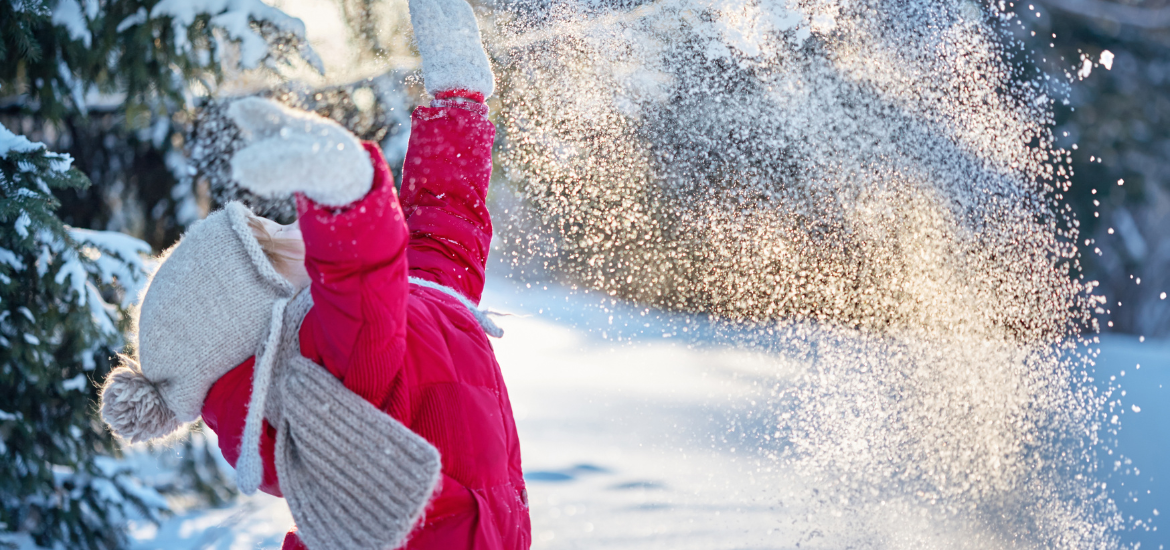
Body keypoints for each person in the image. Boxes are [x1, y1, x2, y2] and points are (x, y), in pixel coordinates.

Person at [97, 0, 531, 548]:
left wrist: (457, 97)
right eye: (273, 247)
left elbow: (442, 226)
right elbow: (356, 286)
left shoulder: (402, 309)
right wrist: (343, 200)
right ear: (271, 325)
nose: (290, 232)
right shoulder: (332, 367)